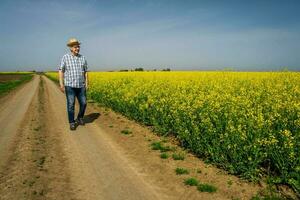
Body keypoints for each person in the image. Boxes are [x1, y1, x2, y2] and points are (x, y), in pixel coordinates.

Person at [58, 38, 89, 131]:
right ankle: (72, 122)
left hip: (81, 85)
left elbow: (86, 72)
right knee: (71, 104)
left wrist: (87, 83)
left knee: (84, 103)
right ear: (71, 48)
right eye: (75, 47)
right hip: (70, 85)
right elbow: (61, 71)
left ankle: (80, 118)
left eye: (78, 47)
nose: (77, 48)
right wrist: (61, 84)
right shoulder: (65, 57)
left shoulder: (82, 58)